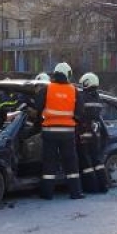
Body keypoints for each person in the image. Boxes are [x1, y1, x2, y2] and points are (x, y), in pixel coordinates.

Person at [33, 61, 83, 200]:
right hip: (68, 133)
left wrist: (40, 121)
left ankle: (47, 194)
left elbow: (37, 107)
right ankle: (75, 193)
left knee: (49, 162)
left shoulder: (47, 89)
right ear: (68, 74)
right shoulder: (74, 90)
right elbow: (79, 112)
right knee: (71, 163)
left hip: (49, 131)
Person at [77, 72, 109, 193]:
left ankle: (92, 188)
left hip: (85, 134)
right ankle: (104, 185)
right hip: (96, 134)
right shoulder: (98, 97)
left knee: (86, 163)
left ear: (87, 82)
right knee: (97, 161)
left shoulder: (82, 96)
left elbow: (78, 114)